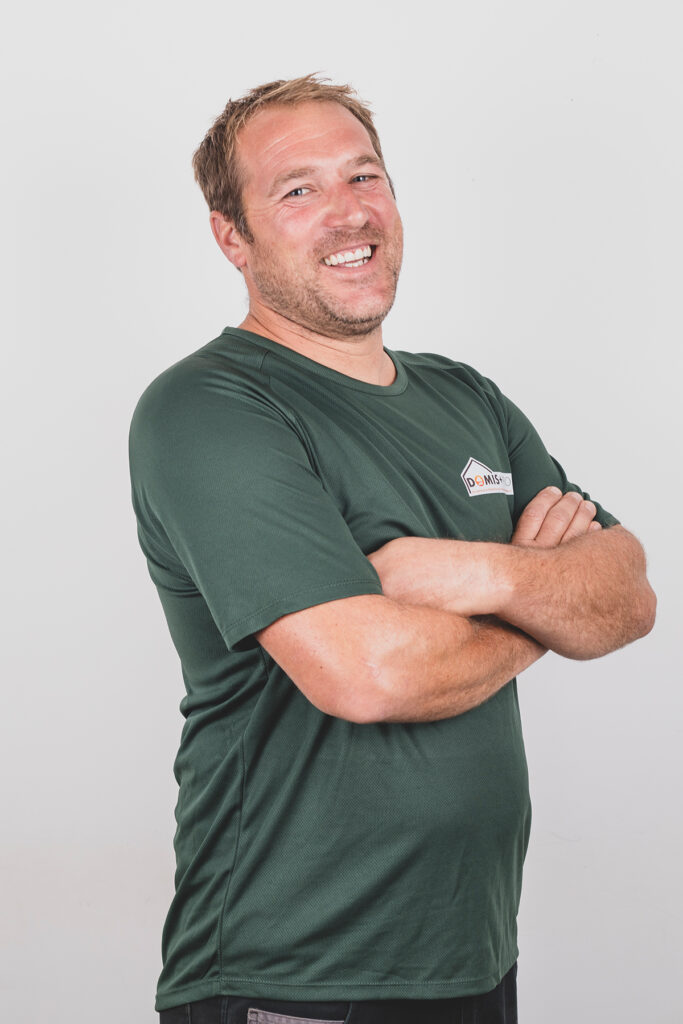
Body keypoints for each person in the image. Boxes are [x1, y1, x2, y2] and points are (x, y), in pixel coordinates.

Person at [128, 74, 656, 1024]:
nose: (348, 211)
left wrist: (470, 573)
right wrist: (542, 602)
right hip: (294, 970)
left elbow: (627, 597)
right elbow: (366, 675)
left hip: (471, 953)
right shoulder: (210, 408)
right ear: (231, 237)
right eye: (298, 189)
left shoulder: (468, 398)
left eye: (363, 175)